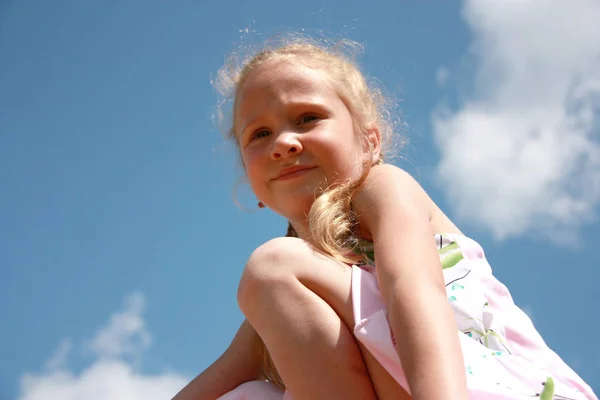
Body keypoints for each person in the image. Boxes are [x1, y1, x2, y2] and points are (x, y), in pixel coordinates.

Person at [173, 35, 597, 400]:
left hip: (475, 387)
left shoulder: (382, 189)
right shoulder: (290, 295)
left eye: (307, 118)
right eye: (259, 134)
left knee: (273, 267)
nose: (283, 143)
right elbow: (219, 379)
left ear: (369, 142)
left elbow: (415, 291)